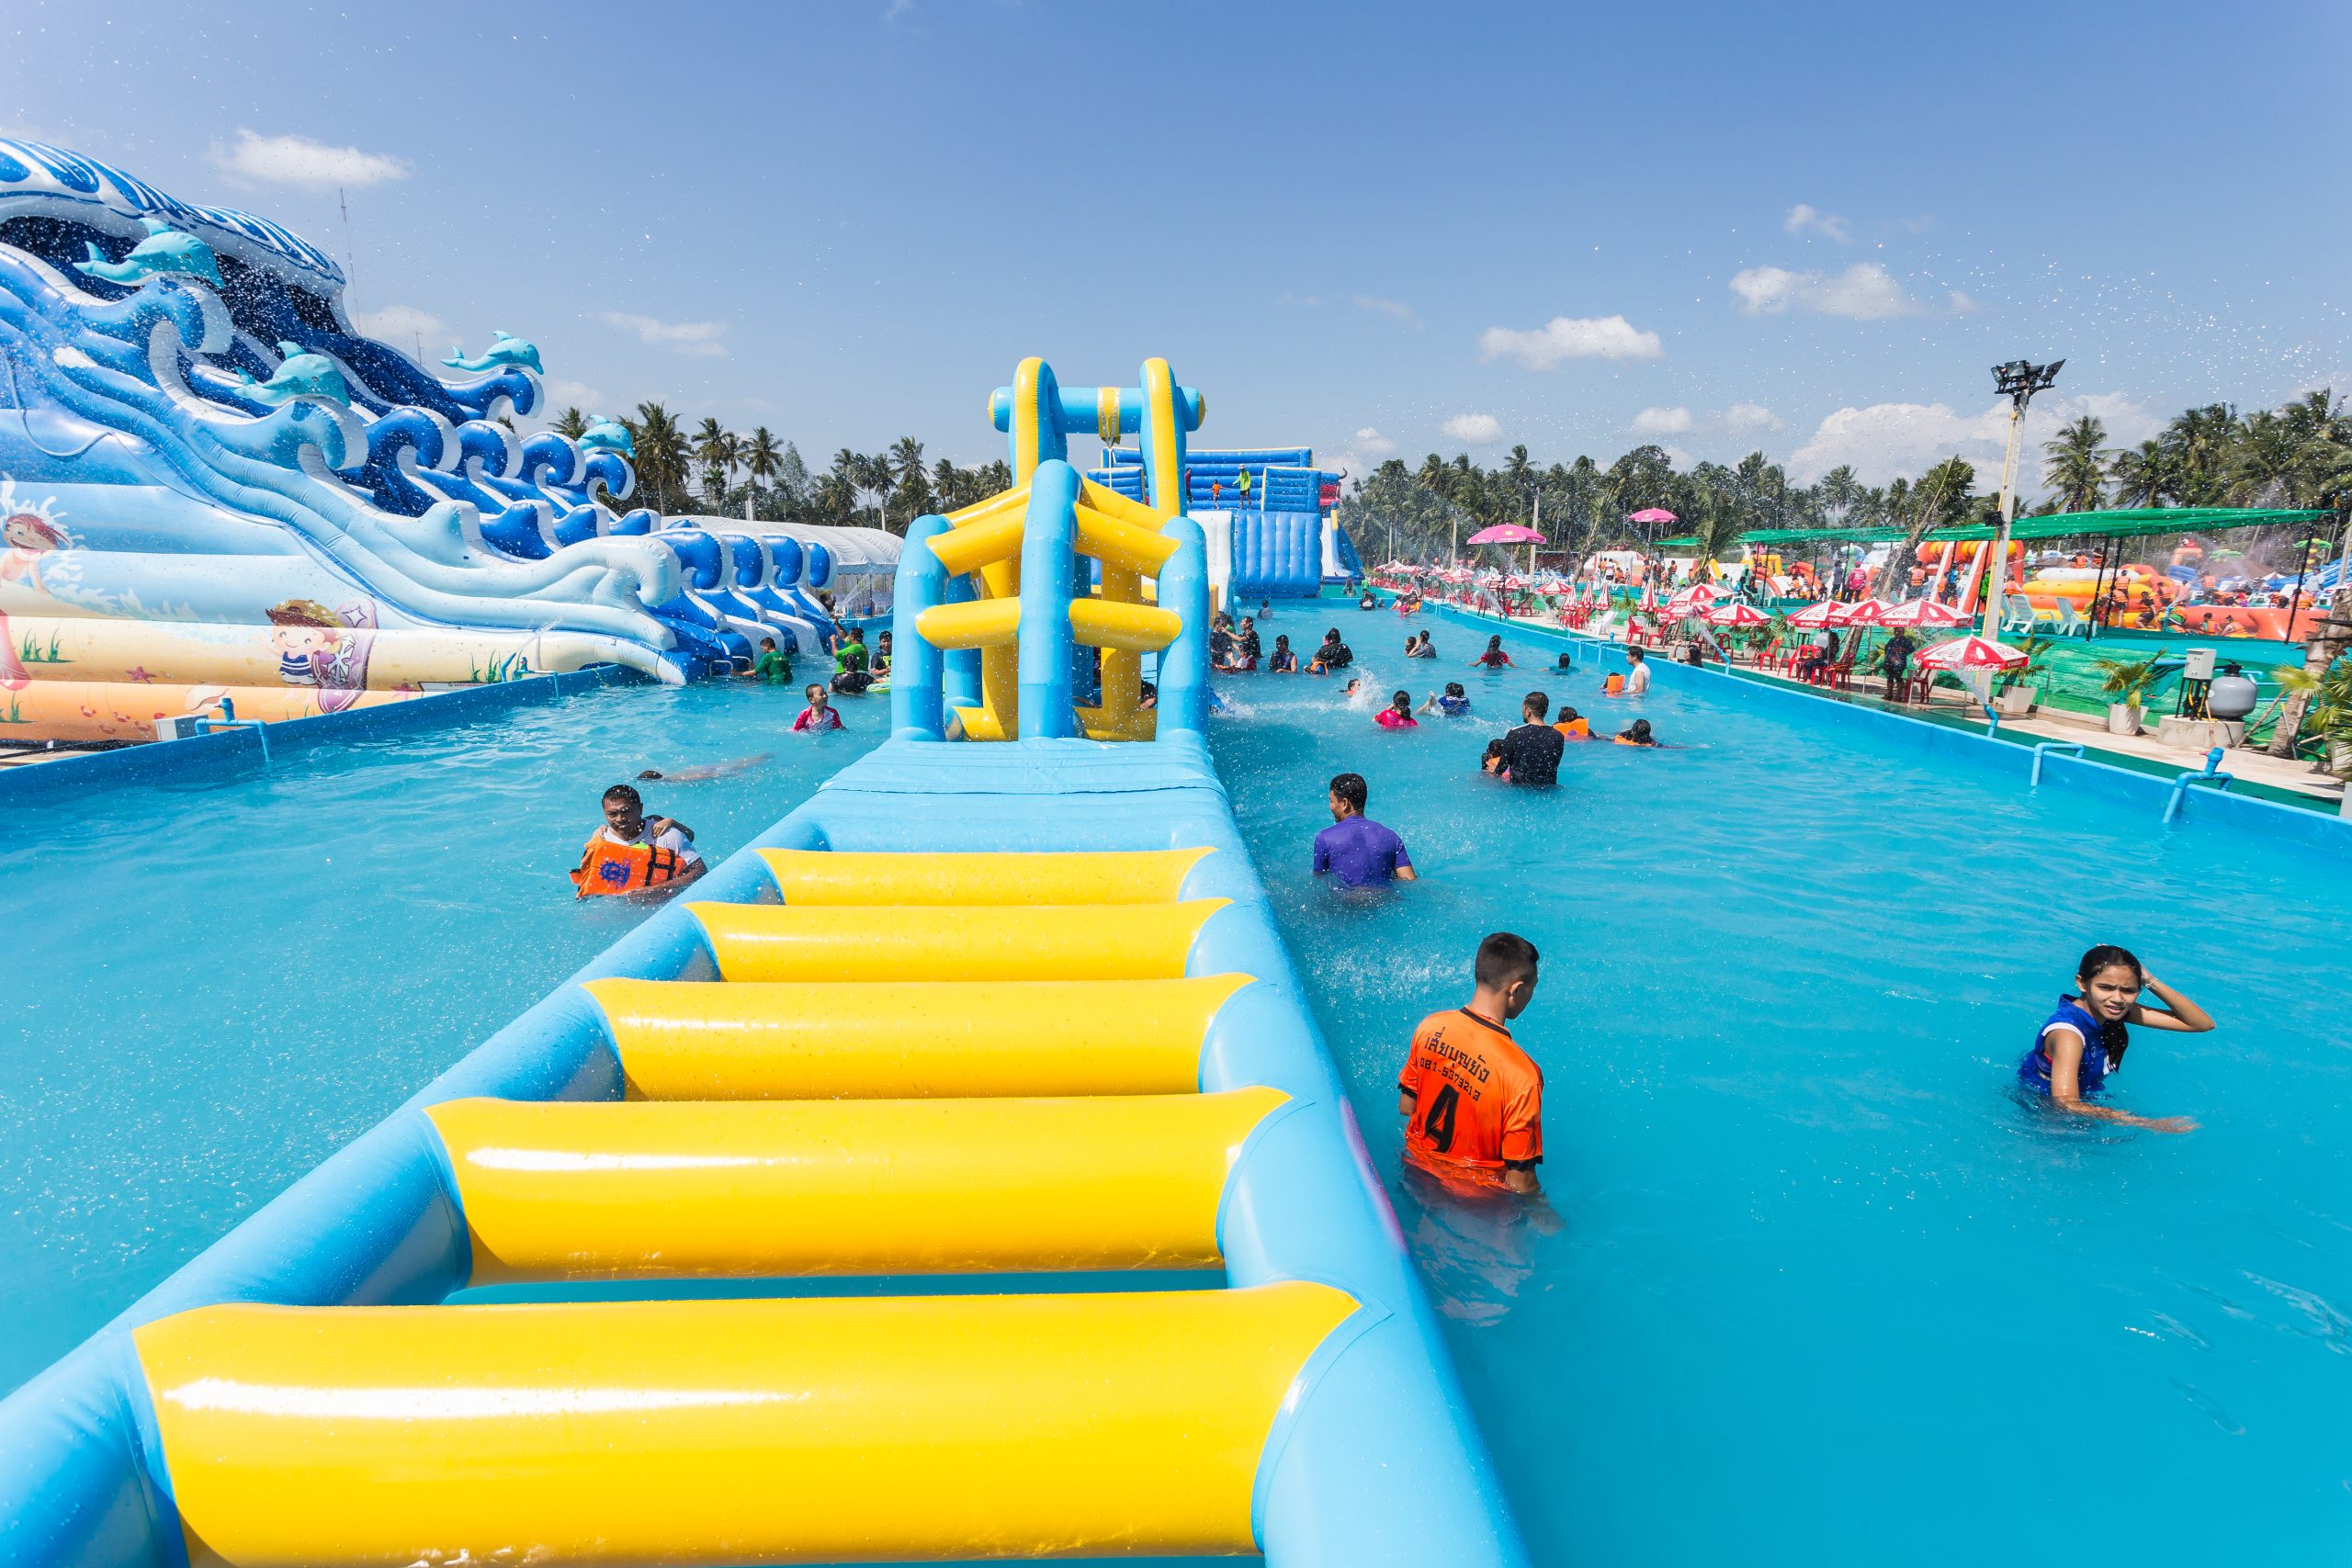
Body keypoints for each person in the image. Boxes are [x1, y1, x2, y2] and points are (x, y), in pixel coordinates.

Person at [1396, 932, 1544, 1193]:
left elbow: (1406, 1107)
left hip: (1415, 1169)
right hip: (1475, 1197)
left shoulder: (1430, 1027)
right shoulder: (1522, 1075)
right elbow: (1519, 1182)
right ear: (1517, 990)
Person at [2017, 945, 2212, 1131]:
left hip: (2083, 1104)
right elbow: (2065, 1103)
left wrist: (2150, 980)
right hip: (2044, 1115)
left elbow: (2200, 1024)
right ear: (2082, 983)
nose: (2117, 999)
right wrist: (2146, 1123)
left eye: (2129, 990)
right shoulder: (2068, 1036)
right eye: (2105, 987)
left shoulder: (2110, 1010)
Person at [572, 784, 706, 901]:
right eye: (612, 814)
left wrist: (656, 890)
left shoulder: (666, 835)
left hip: (666, 902)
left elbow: (700, 871)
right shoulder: (601, 842)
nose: (620, 819)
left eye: (626, 812)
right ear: (604, 813)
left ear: (640, 809)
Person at [1312, 772, 1417, 886]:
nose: (1330, 806)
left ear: (1345, 803)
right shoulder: (1391, 837)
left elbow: (1319, 881)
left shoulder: (1325, 837)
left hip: (1345, 901)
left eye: (1331, 801)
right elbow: (1409, 880)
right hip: (1382, 901)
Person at [1495, 691, 1565, 787]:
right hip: (1548, 790)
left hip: (1519, 790)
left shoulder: (1515, 733)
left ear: (1528, 711)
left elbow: (1501, 768)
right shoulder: (1558, 736)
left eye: (1522, 708)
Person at [636, 754, 770, 782]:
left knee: (739, 766)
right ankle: (764, 756)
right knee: (742, 762)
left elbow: (698, 776)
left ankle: (766, 758)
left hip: (713, 772)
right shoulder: (671, 775)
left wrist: (725, 776)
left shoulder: (674, 779)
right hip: (707, 768)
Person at [1879, 627, 1917, 700]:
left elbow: (1911, 649)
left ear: (1903, 632)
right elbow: (1887, 649)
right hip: (1888, 662)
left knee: (1898, 678)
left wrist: (1903, 650)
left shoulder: (1906, 641)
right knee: (1889, 678)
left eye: (1899, 631)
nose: (1897, 633)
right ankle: (1889, 693)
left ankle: (1898, 695)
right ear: (1894, 632)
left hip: (1899, 663)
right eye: (1896, 631)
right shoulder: (1892, 640)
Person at [831, 626, 872, 694]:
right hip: (860, 680)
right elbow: (844, 637)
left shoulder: (854, 648)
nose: (848, 637)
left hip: (847, 679)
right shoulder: (860, 646)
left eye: (849, 635)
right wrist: (836, 623)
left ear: (852, 636)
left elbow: (836, 654)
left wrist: (833, 642)